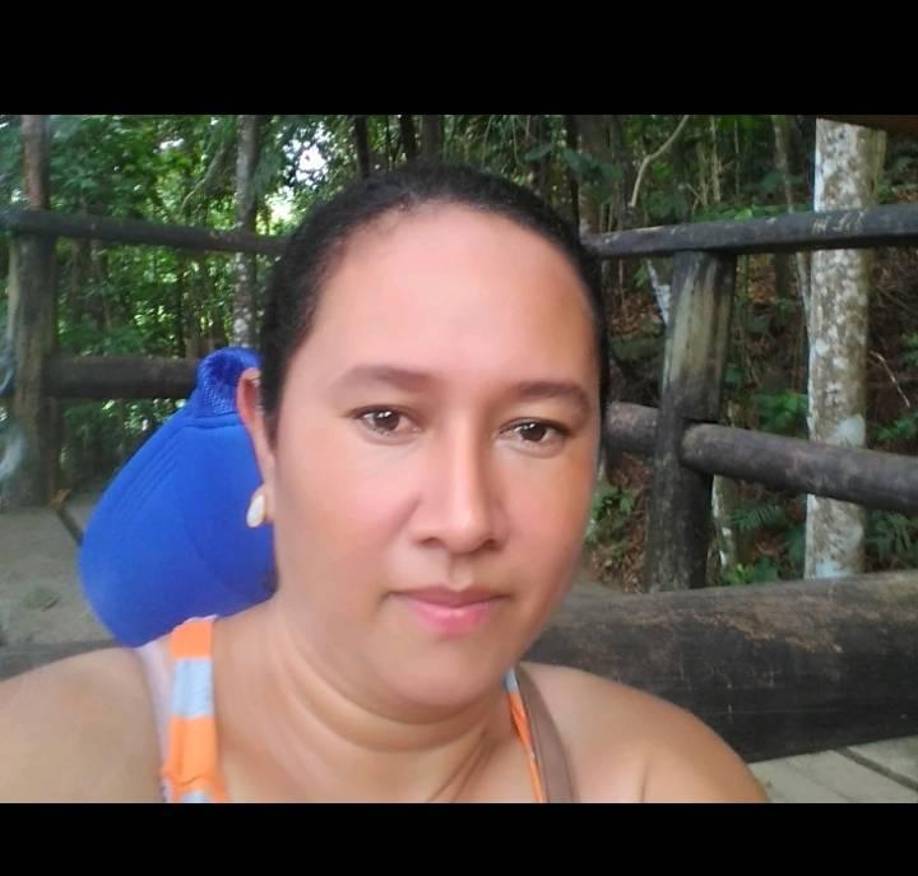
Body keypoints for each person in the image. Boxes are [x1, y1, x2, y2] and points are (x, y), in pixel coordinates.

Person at [0, 162, 767, 802]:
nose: (464, 520)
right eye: (386, 418)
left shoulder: (652, 780)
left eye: (534, 429)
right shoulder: (49, 759)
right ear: (266, 435)